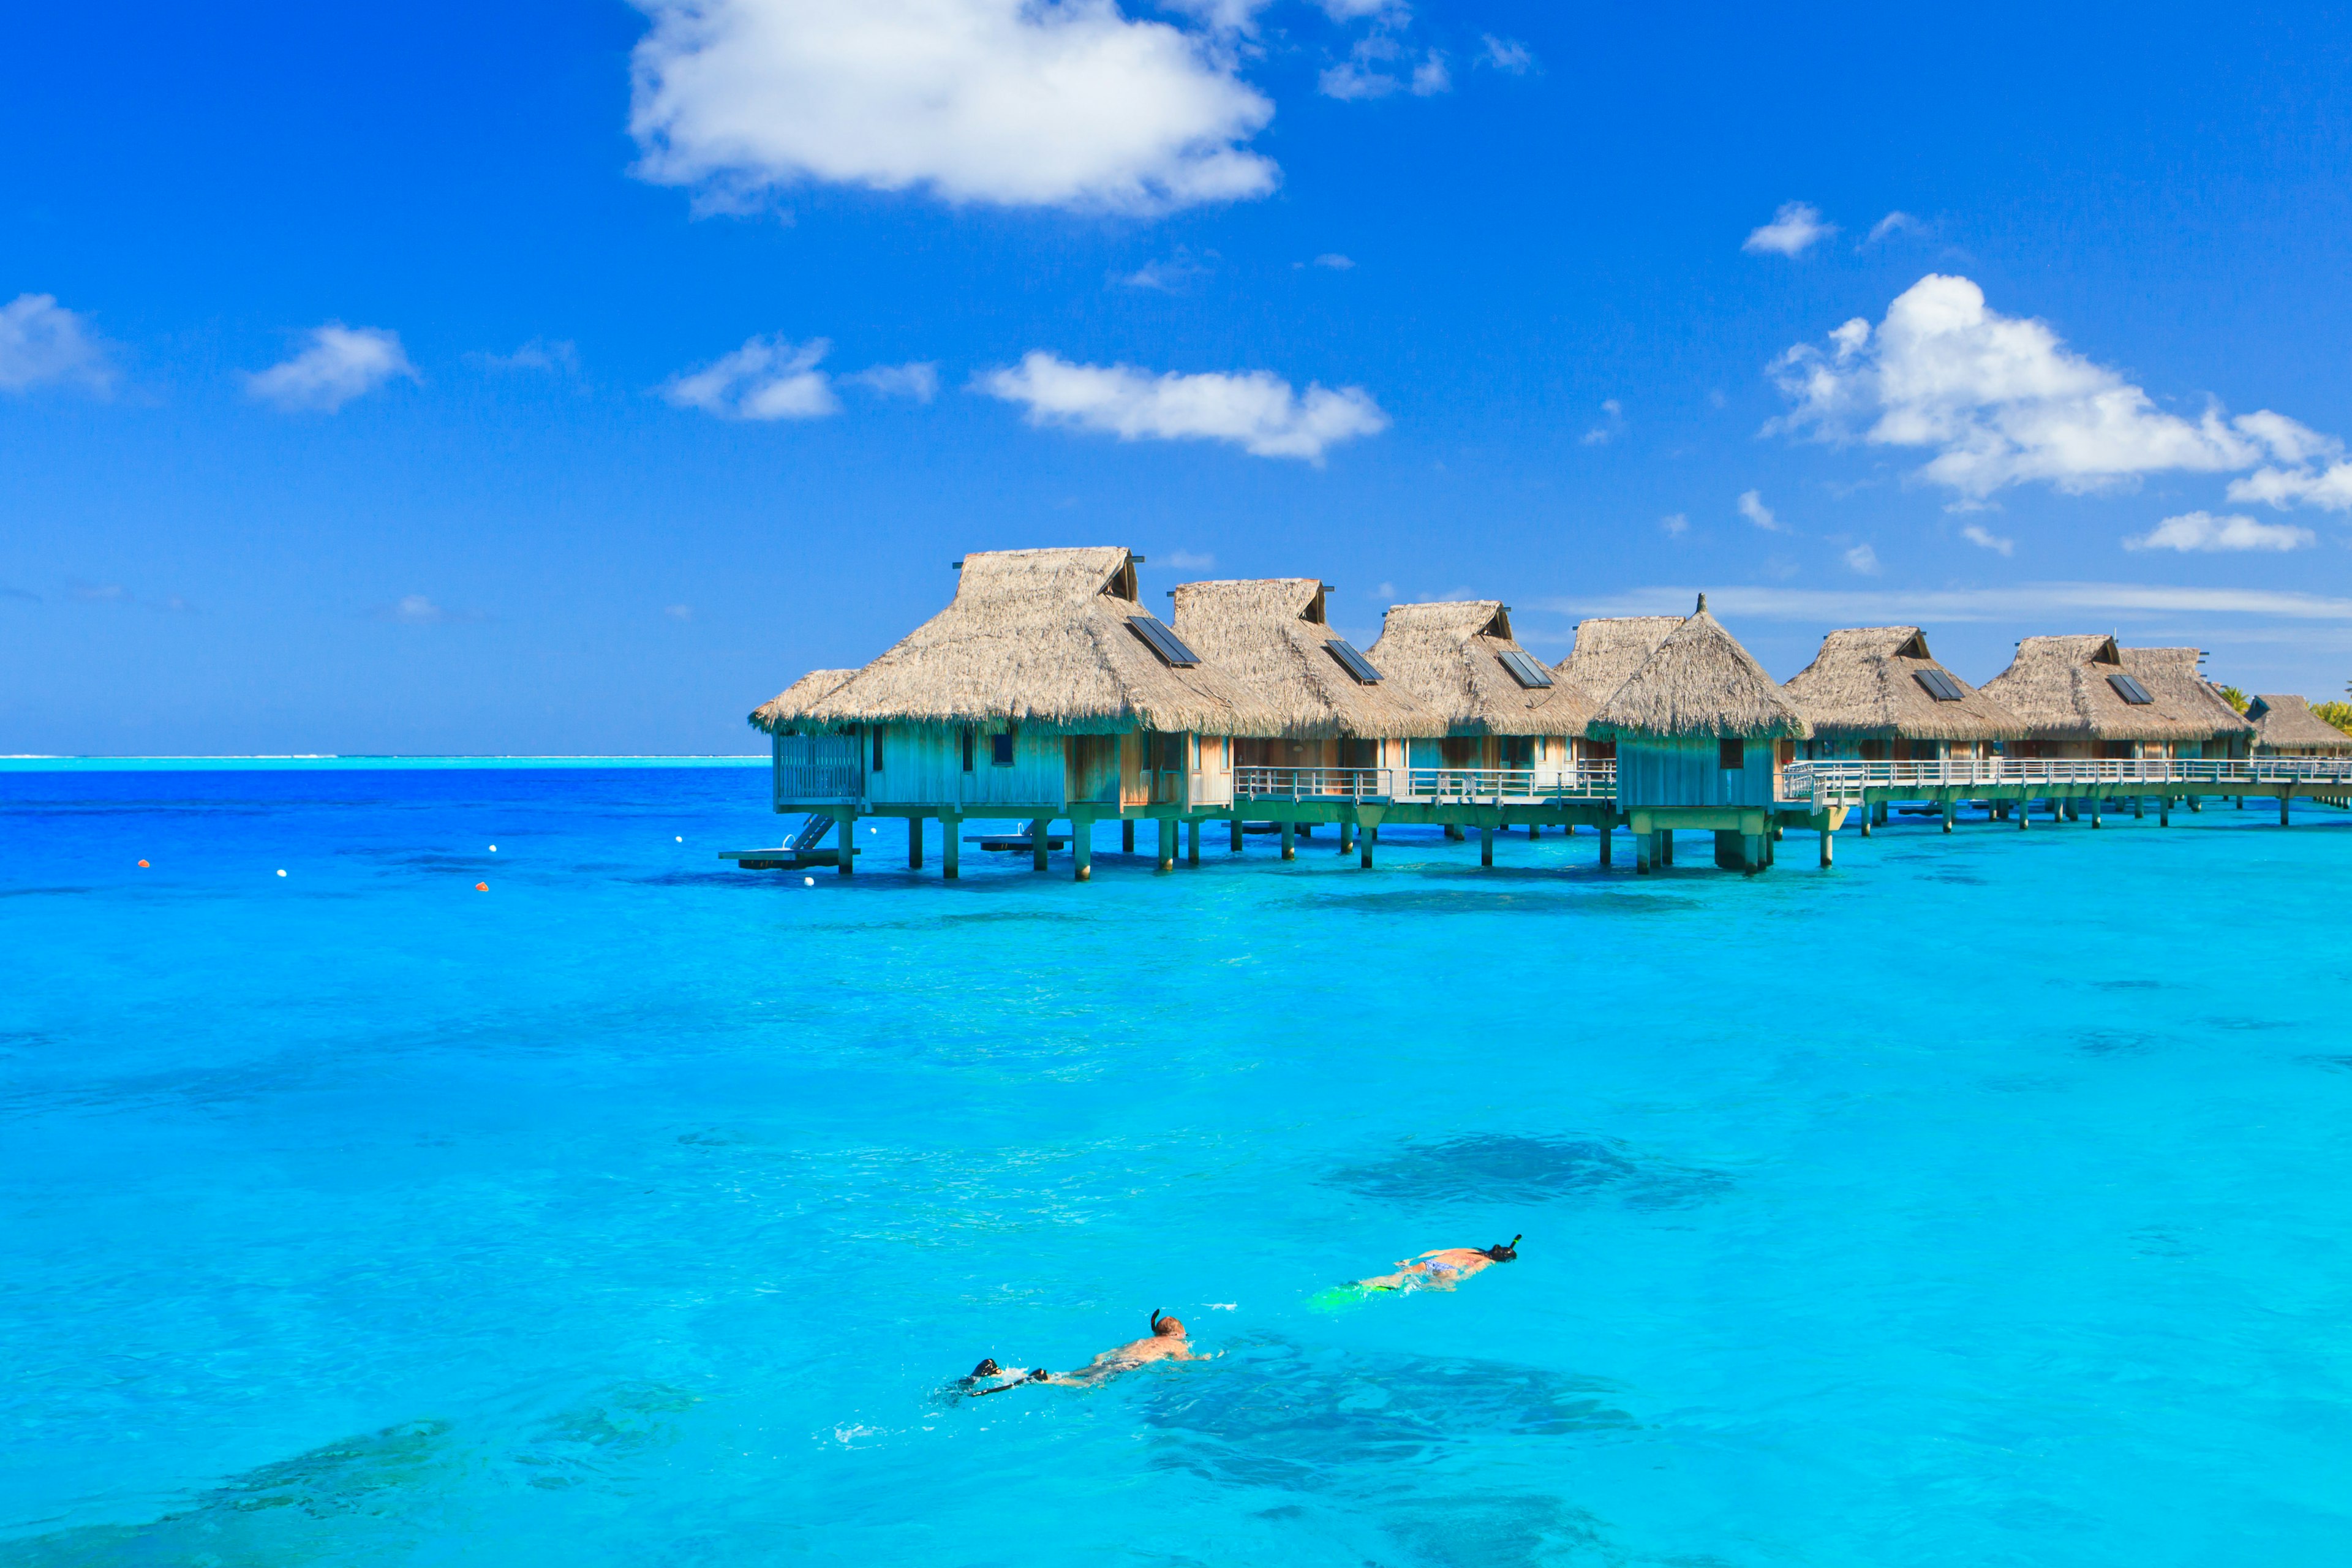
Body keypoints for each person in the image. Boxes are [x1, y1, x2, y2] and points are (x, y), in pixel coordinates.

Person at [1044, 1311, 1214, 1385]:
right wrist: (1202, 1358)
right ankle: (1050, 1381)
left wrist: (1097, 1362)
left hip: (1113, 1360)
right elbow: (1182, 1361)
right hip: (1132, 1363)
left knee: (1078, 1373)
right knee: (1089, 1384)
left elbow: (1101, 1355)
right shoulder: (1174, 1343)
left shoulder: (1141, 1341)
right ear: (1177, 1334)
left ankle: (1049, 1375)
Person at [1354, 1235, 1520, 1292]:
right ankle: (1413, 1288)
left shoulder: (1469, 1250)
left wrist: (1411, 1259)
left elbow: (1436, 1250)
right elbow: (1471, 1273)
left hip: (1430, 1262)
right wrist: (1458, 1280)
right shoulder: (1486, 1262)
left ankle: (1362, 1284)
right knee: (1449, 1289)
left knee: (1398, 1276)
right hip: (1449, 1270)